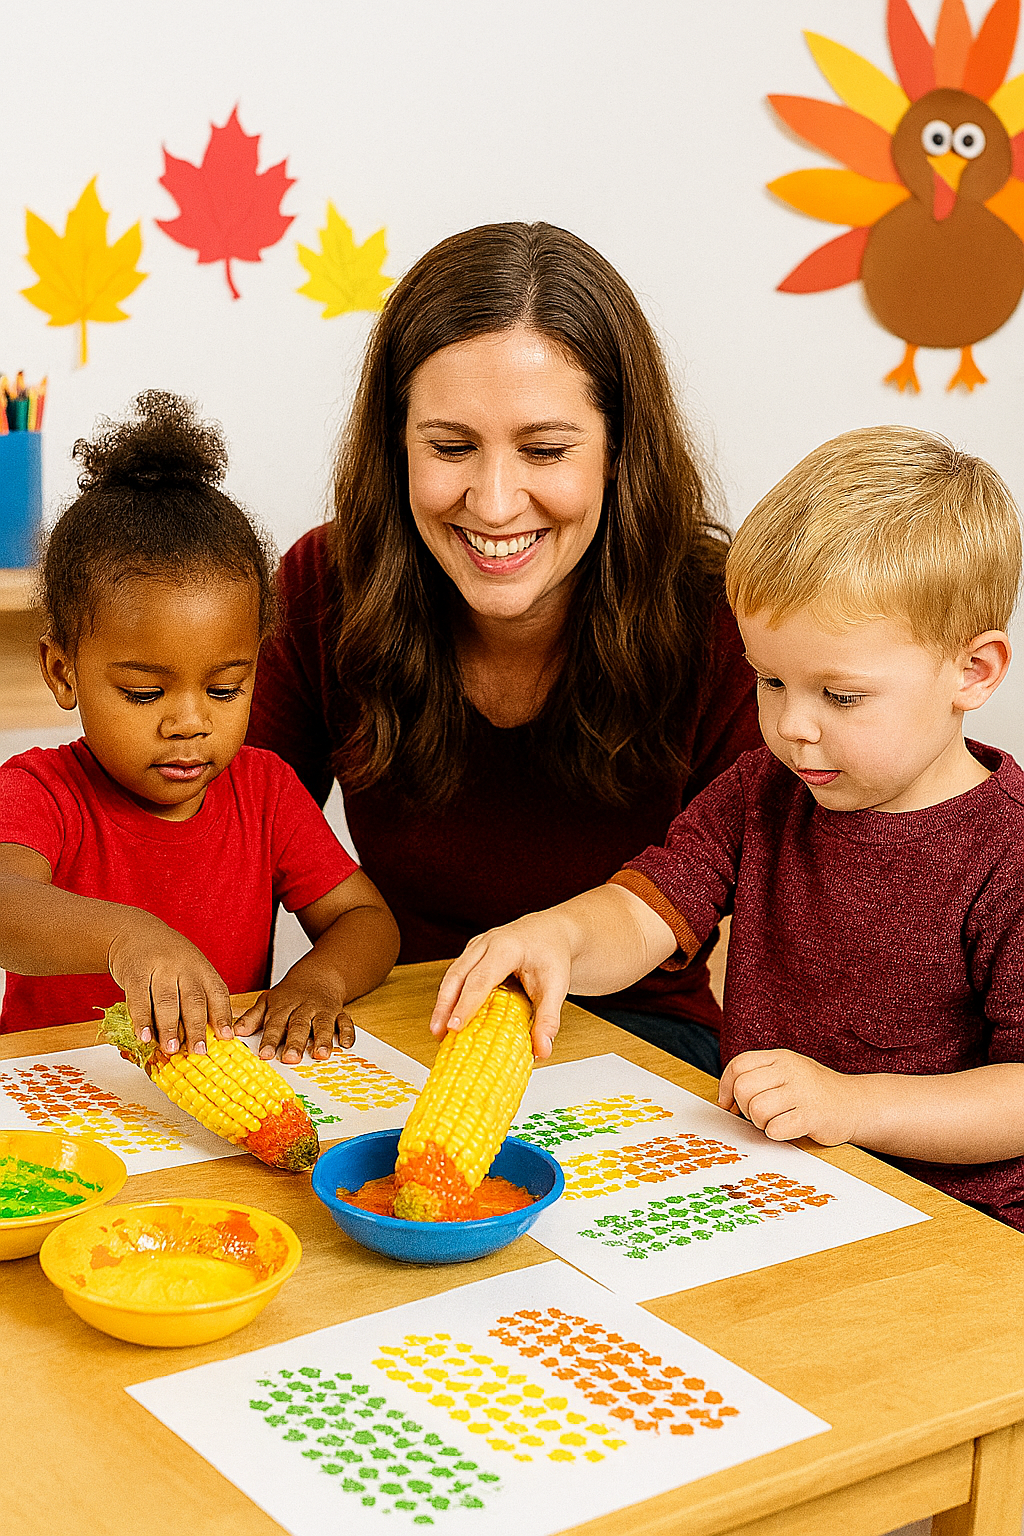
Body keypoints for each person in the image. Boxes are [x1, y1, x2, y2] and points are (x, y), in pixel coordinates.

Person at [429, 426, 1024, 1231]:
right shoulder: (763, 792)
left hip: (957, 1231)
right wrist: (560, 936)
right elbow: (647, 910)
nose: (792, 726)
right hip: (778, 1192)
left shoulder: (1007, 853)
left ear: (973, 672)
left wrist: (852, 1105)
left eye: (839, 696)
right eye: (771, 681)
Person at [247, 221, 760, 1076]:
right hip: (394, 1028)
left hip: (644, 1041)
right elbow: (226, 831)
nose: (492, 502)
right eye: (449, 448)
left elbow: (800, 887)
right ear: (395, 444)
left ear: (618, 452)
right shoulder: (320, 587)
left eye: (545, 450)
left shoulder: (727, 618)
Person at [0, 392, 399, 1062]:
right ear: (63, 671)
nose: (189, 722)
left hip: (201, 1120)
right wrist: (128, 937)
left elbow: (368, 920)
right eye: (145, 692)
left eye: (224, 688)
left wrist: (318, 981)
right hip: (56, 1110)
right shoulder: (42, 792)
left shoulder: (265, 791)